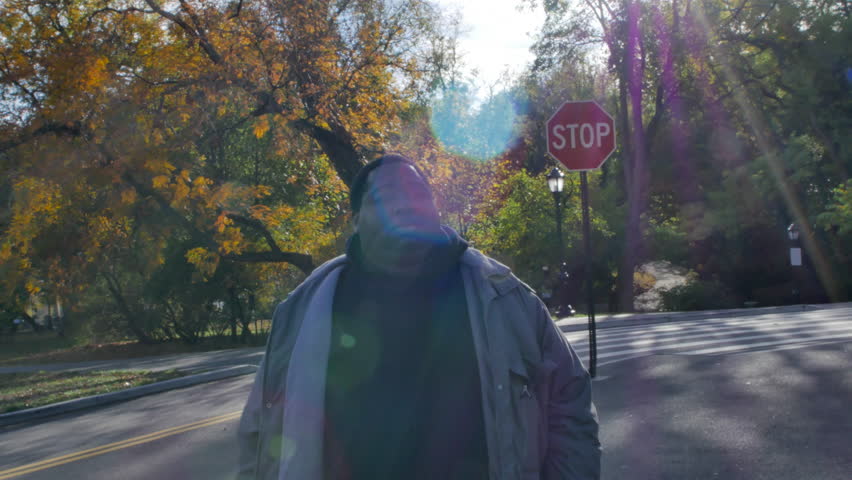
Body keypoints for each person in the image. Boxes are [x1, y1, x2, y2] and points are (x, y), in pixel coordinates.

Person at [237, 154, 601, 480]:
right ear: (356, 221)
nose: (405, 204)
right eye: (386, 196)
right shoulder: (302, 311)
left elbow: (569, 400)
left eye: (418, 193)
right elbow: (261, 431)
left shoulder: (505, 297)